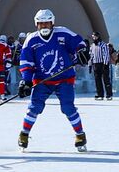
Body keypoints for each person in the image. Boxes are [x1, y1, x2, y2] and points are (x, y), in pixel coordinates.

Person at [16, 9, 87, 152]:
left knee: (68, 107)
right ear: (36, 24)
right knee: (34, 107)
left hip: (64, 79)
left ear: (52, 23)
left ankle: (80, 135)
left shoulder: (63, 33)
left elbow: (79, 42)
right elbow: (26, 62)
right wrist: (27, 81)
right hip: (42, 81)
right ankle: (24, 134)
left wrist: (81, 51)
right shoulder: (31, 39)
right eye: (41, 24)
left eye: (47, 23)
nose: (44, 26)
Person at [89, 33, 114, 100]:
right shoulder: (92, 45)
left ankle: (109, 94)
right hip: (95, 64)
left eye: (95, 37)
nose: (94, 38)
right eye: (93, 37)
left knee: (106, 79)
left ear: (98, 37)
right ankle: (100, 94)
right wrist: (90, 64)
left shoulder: (103, 45)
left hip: (102, 63)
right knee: (97, 80)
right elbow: (91, 55)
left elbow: (106, 54)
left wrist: (105, 64)